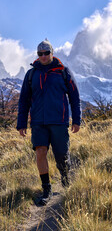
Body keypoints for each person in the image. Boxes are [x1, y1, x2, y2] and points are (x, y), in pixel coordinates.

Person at [17, 40, 81, 205]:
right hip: (38, 122)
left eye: (46, 53)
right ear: (37, 55)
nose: (43, 56)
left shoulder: (63, 72)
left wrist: (77, 120)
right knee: (40, 152)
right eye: (40, 54)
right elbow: (24, 100)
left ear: (52, 53)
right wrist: (21, 123)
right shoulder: (31, 74)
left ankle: (66, 177)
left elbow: (74, 97)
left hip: (59, 122)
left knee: (61, 155)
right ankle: (47, 188)